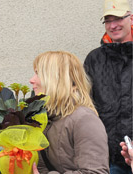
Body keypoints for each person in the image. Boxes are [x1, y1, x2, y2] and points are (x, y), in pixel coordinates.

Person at [30, 51, 109, 173]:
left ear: (56, 79)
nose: (31, 80)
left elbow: (95, 172)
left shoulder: (84, 120)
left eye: (38, 74)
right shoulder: (45, 118)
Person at [84, 0, 133, 173]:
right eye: (108, 20)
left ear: (131, 18)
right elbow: (85, 104)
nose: (113, 25)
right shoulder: (94, 59)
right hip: (107, 157)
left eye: (118, 19)